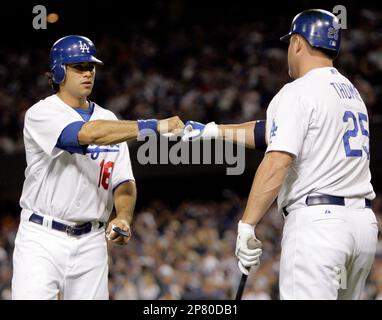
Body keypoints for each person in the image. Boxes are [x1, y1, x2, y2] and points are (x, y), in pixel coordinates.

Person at [185, 9, 378, 299]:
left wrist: (247, 224)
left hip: (318, 226)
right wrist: (214, 131)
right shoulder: (351, 92)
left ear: (298, 42)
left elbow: (277, 160)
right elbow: (270, 131)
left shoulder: (297, 91)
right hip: (361, 227)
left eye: (290, 43)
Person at [12, 35, 184, 300]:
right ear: (59, 71)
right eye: (78, 66)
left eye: (90, 66)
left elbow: (123, 181)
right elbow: (86, 134)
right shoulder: (41, 113)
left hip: (92, 241)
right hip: (42, 238)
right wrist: (154, 126)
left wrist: (124, 216)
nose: (87, 72)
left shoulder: (109, 119)